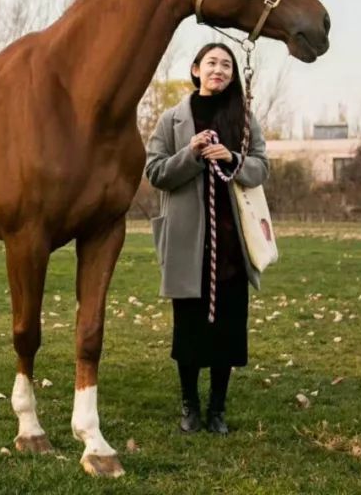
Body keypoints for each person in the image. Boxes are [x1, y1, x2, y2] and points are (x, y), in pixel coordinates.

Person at [144, 43, 270, 435]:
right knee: (190, 331)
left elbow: (262, 166)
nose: (219, 69)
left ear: (232, 75)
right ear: (196, 70)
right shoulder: (172, 120)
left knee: (228, 331)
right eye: (212, 63)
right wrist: (193, 153)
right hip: (188, 243)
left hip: (231, 244)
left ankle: (217, 409)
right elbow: (155, 171)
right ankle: (189, 406)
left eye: (226, 65)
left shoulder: (243, 119)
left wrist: (232, 158)